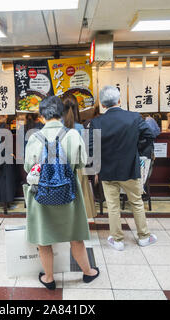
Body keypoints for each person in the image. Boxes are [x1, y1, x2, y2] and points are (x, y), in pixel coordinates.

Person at [24, 96, 99, 290]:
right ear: (62, 113)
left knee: (44, 240)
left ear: (41, 116)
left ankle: (49, 278)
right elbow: (82, 162)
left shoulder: (34, 137)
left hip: (42, 194)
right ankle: (88, 273)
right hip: (69, 193)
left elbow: (28, 166)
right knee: (75, 237)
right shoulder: (73, 135)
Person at [89, 86, 157, 251]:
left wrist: (96, 169)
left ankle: (118, 240)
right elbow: (149, 135)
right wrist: (136, 149)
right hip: (130, 168)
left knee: (112, 206)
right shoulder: (134, 117)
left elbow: (91, 148)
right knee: (136, 202)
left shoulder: (96, 122)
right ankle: (144, 237)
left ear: (103, 105)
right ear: (119, 101)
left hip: (107, 170)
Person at [61, 93, 96, 218]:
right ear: (76, 108)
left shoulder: (56, 126)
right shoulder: (80, 127)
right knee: (79, 196)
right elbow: (84, 152)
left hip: (59, 167)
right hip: (78, 167)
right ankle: (78, 222)